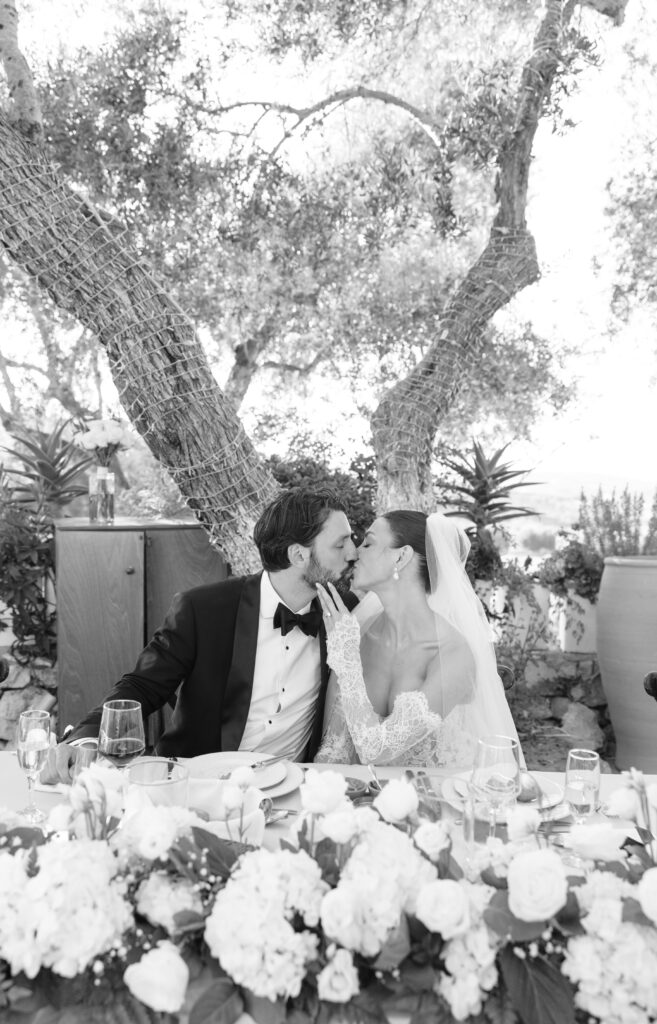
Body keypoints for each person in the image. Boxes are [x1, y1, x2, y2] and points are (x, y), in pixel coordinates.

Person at [45, 487, 358, 782]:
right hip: (195, 782)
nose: (353, 553)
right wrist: (85, 737)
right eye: (340, 544)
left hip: (290, 783)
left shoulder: (347, 612)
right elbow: (142, 685)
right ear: (298, 555)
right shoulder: (204, 609)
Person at [314, 510, 523, 768]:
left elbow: (376, 751)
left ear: (401, 557)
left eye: (368, 543)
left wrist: (347, 662)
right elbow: (335, 748)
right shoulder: (357, 631)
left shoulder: (453, 654)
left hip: (439, 801)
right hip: (364, 801)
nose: (356, 552)